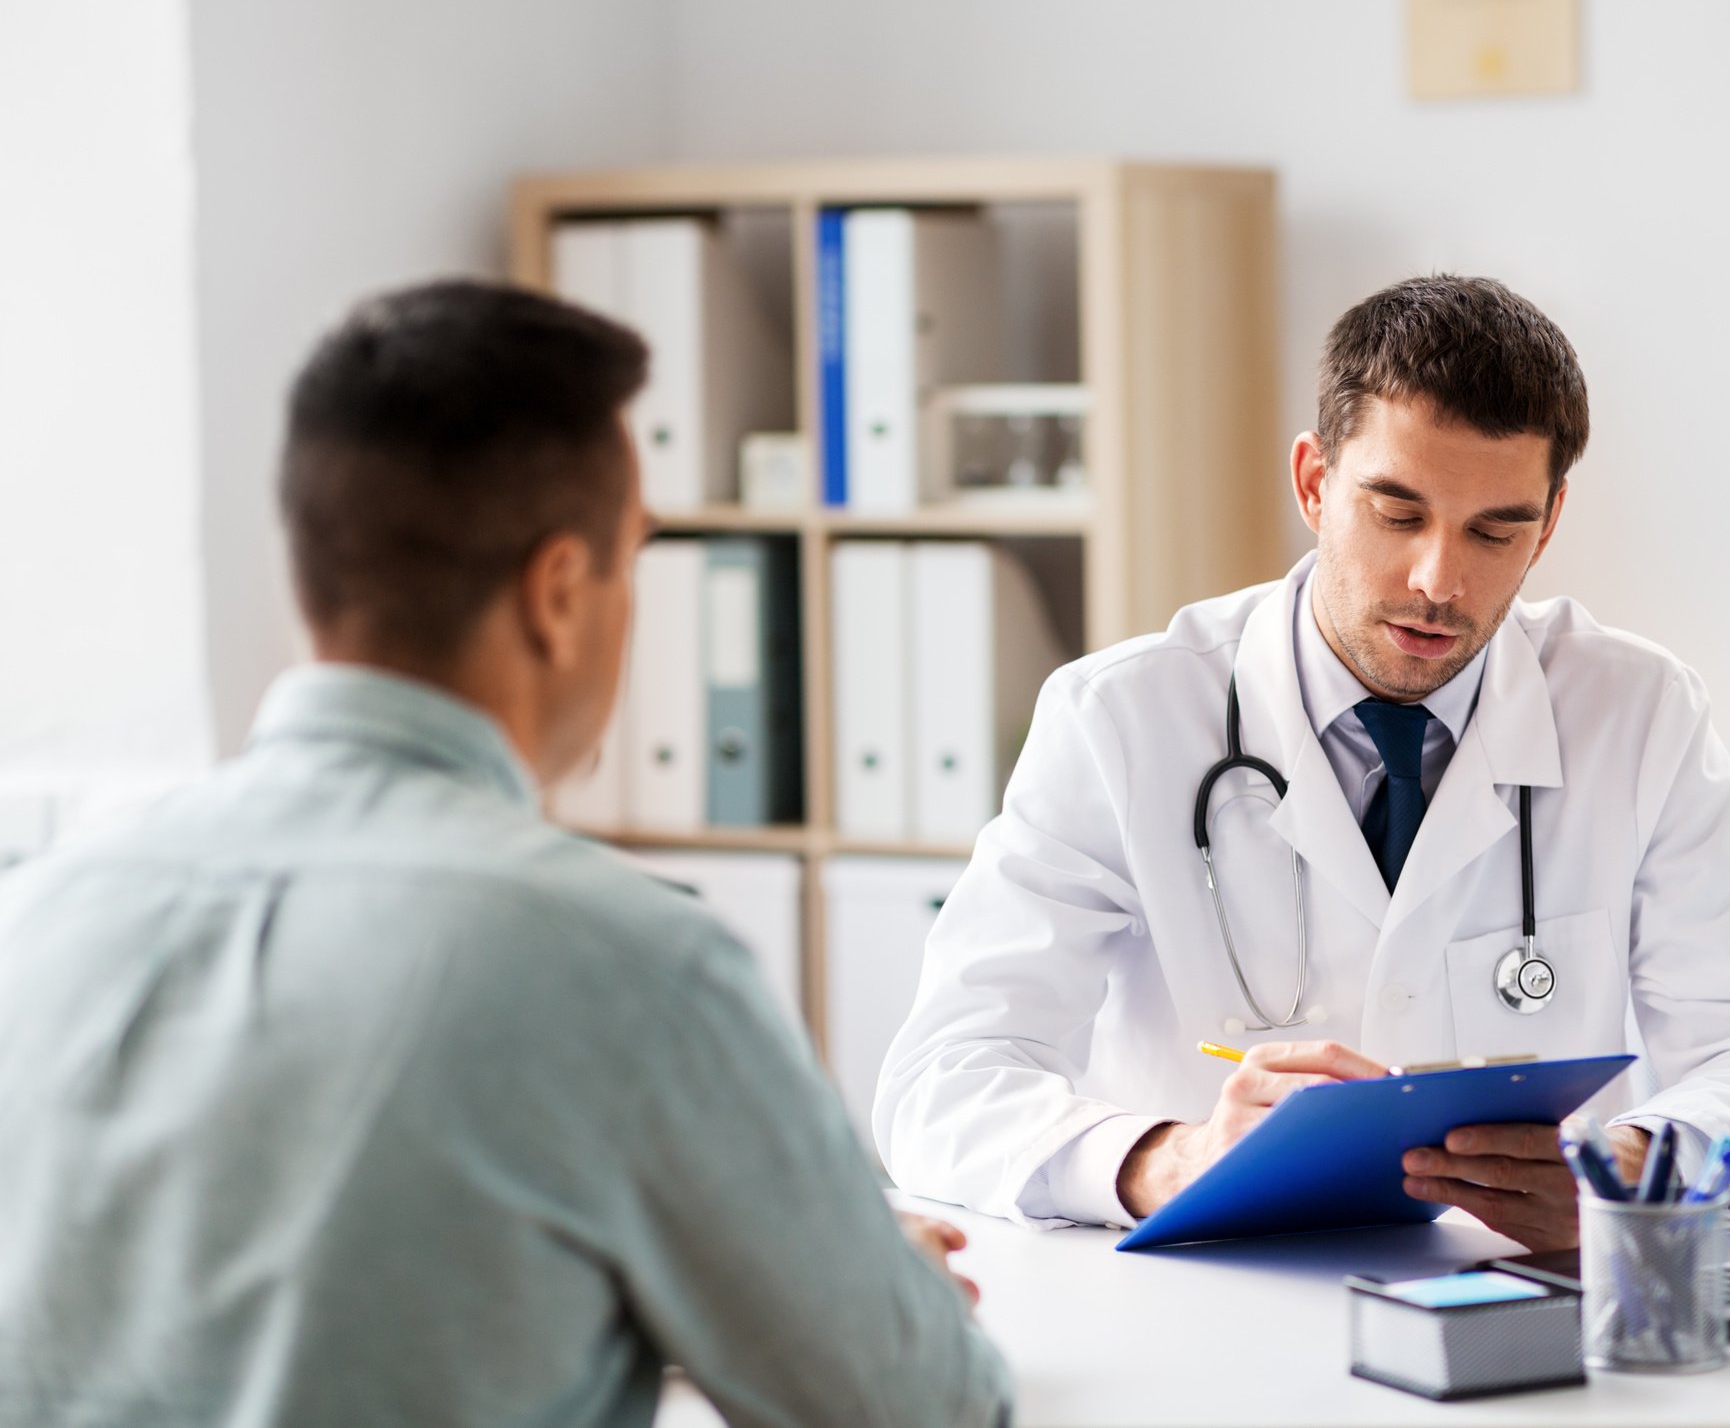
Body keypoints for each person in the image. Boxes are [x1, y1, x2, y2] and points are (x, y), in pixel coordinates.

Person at [0, 282, 1009, 1427]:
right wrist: (871, 1283)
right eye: (636, 557)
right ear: (560, 592)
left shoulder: (42, 912)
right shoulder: (626, 964)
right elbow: (916, 1409)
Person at [877, 275, 1730, 1249]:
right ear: (1314, 482)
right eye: (1396, 513)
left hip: (1507, 1306)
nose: (1438, 580)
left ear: (1549, 520)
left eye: (1495, 530)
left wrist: (1636, 1166)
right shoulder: (1122, 718)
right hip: (1212, 1298)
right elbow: (941, 1080)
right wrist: (1167, 1158)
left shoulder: (1636, 713)